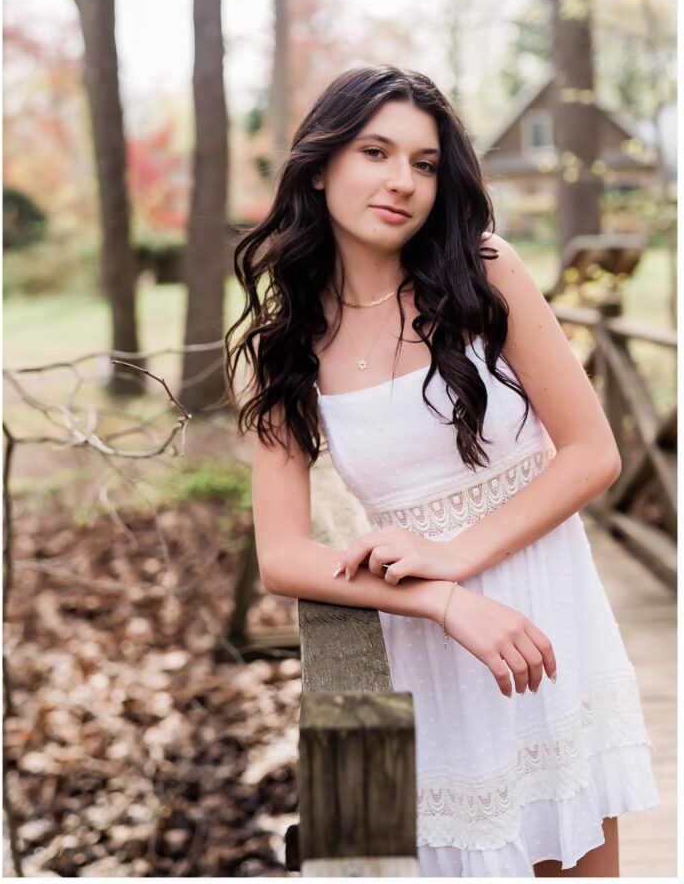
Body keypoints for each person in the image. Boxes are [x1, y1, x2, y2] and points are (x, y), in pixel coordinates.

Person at [224, 65, 659, 877]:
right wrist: (447, 599)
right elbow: (282, 556)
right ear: (320, 167)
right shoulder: (285, 351)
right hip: (418, 646)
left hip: (547, 622)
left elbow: (594, 452)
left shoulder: (484, 272)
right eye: (376, 152)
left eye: (424, 163)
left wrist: (461, 556)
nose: (403, 181)